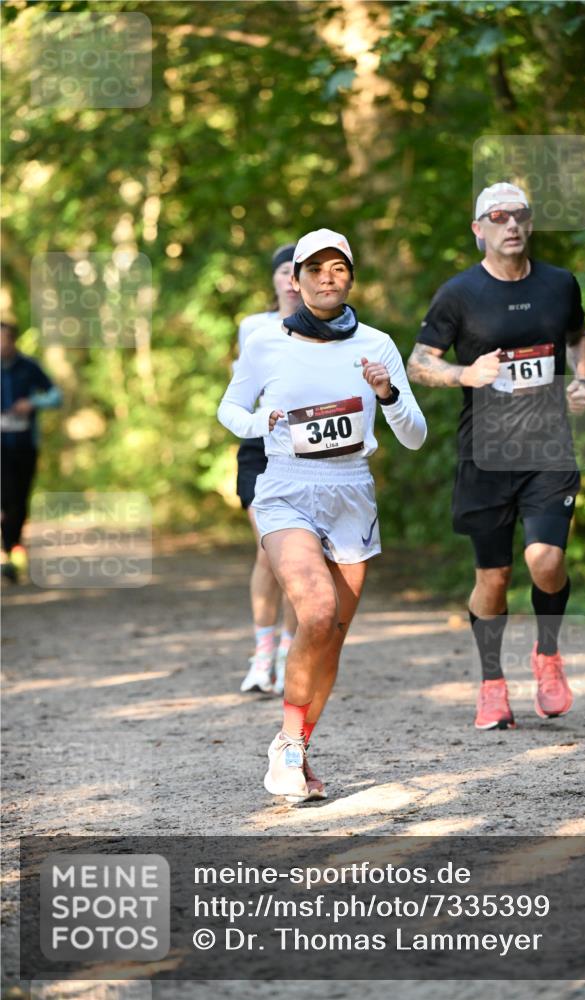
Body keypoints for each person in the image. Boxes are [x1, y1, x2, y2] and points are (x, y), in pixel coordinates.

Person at [218, 228, 427, 802]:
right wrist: (264, 424)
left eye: (338, 268)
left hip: (351, 489)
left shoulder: (379, 345)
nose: (326, 277)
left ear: (350, 277)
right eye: (314, 268)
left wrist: (388, 396)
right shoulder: (265, 343)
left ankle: (297, 745)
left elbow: (414, 436)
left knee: (331, 634)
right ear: (296, 279)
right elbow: (230, 408)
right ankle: (287, 745)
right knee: (315, 610)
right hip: (285, 486)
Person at [408, 182, 585, 730]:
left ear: (530, 224)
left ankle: (548, 656)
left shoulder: (560, 284)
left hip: (549, 447)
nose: (509, 224)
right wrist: (465, 373)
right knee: (493, 578)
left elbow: (580, 337)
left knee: (546, 560)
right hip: (484, 454)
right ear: (478, 229)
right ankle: (492, 683)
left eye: (519, 216)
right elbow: (418, 361)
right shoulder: (458, 294)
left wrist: (581, 380)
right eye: (497, 216)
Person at [235, 245, 299, 697]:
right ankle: (262, 655)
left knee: (296, 558)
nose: (292, 278)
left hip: (307, 446)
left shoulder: (338, 328)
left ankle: (289, 655)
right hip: (261, 443)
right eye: (284, 270)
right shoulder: (253, 327)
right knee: (268, 549)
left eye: (301, 270)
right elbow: (247, 388)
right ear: (274, 280)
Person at [1, 320, 63, 582]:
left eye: (4, 340)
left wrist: (33, 402)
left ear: (13, 341)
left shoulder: (29, 368)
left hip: (26, 444)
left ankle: (13, 549)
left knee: (19, 500)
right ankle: (6, 553)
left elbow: (56, 396)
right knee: (5, 497)